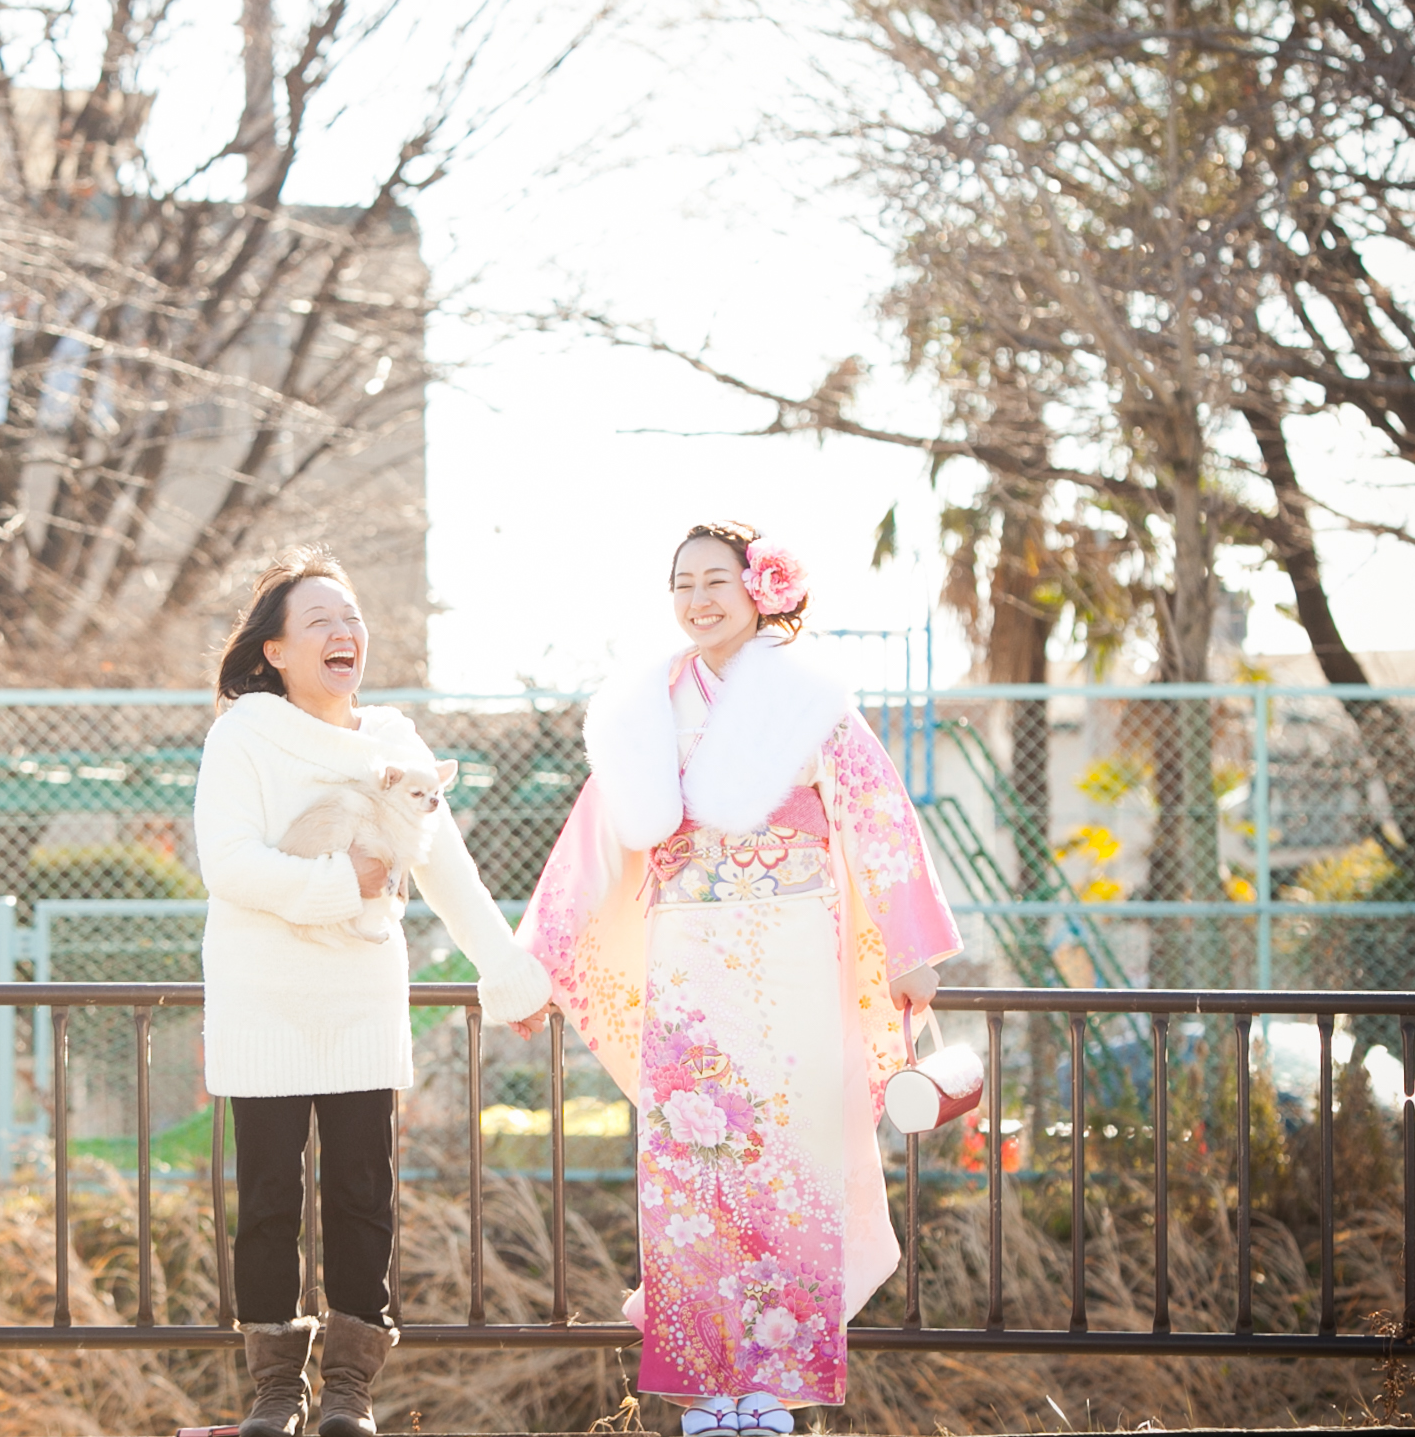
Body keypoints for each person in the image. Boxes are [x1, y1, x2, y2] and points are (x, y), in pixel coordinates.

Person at [514, 522, 961, 1435]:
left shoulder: (808, 697)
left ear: (759, 589)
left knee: (793, 1172)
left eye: (715, 580)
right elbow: (591, 843)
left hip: (793, 958)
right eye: (682, 583)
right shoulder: (645, 706)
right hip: (688, 966)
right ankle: (706, 1391)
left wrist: (909, 946)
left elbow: (876, 818)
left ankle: (770, 1389)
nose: (697, 599)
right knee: (692, 1177)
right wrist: (537, 960)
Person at [194, 547, 553, 1437]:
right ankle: (276, 1392)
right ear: (275, 651)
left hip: (359, 998)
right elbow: (227, 863)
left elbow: (449, 872)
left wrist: (510, 977)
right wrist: (341, 882)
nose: (343, 633)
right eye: (319, 621)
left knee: (363, 1192)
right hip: (263, 1000)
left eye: (351, 618)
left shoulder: (396, 741)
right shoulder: (242, 735)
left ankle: (350, 1391)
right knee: (269, 1198)